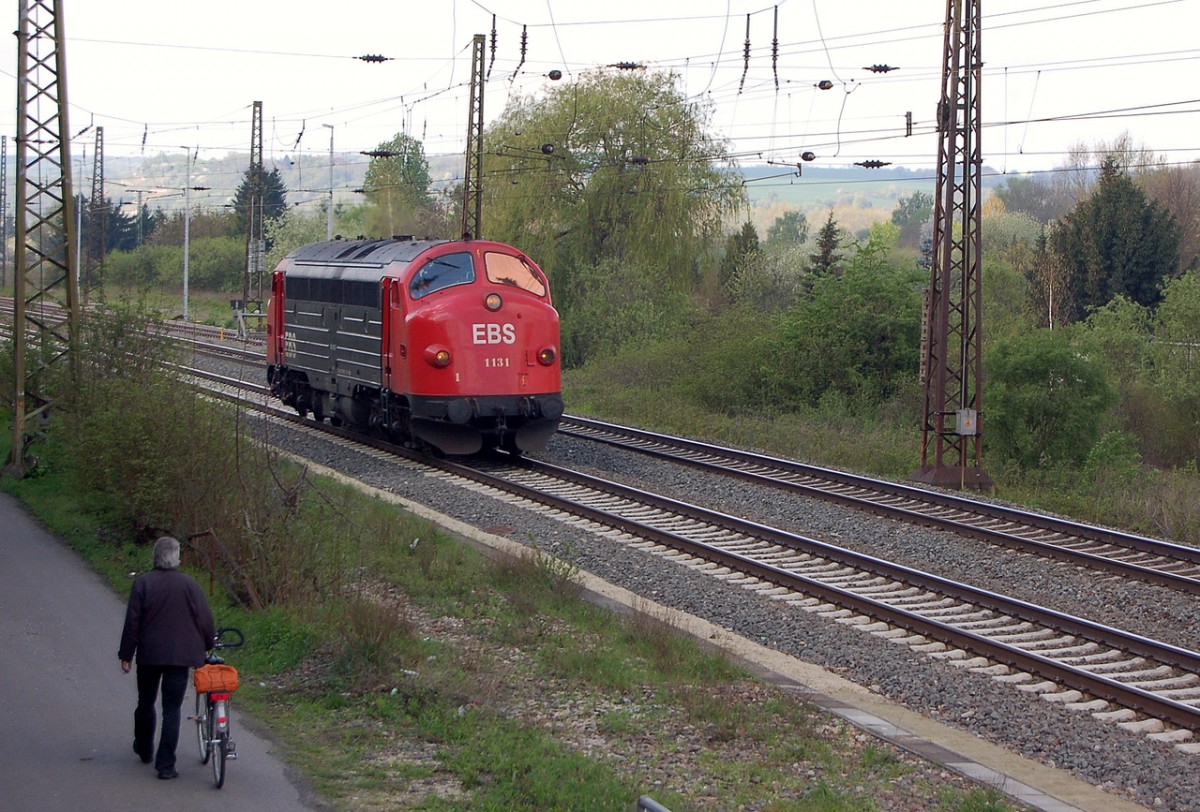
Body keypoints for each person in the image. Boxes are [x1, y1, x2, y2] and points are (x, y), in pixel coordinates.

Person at [118, 536, 216, 780]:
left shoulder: (143, 583)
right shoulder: (189, 585)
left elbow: (133, 621)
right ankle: (166, 764)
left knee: (145, 702)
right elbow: (204, 618)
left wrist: (126, 654)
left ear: (155, 557)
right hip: (180, 657)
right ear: (176, 558)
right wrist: (208, 644)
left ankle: (144, 748)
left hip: (149, 655)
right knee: (172, 708)